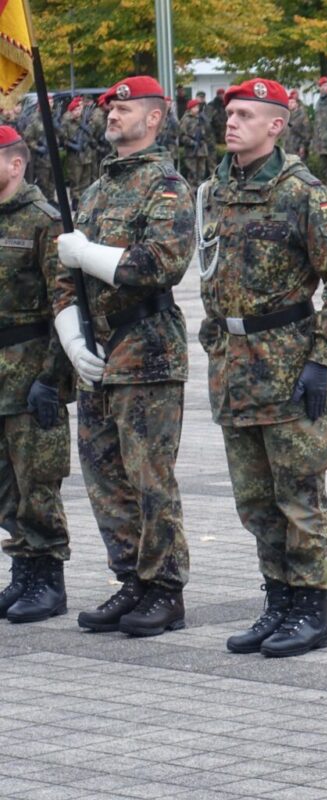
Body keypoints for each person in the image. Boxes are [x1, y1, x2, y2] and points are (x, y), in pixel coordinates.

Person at [195, 77, 327, 658]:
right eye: (229, 113)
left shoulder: (300, 192)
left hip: (289, 367)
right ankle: (279, 601)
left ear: (276, 124)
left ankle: (312, 609)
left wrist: (322, 360)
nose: (232, 122)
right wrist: (213, 339)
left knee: (299, 496)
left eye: (245, 114)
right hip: (234, 368)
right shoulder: (213, 191)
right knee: (255, 499)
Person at [52, 76, 194, 638]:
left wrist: (86, 252)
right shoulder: (94, 189)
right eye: (110, 106)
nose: (112, 113)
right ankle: (130, 578)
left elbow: (158, 264)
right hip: (99, 351)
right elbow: (65, 276)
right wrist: (71, 336)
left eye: (125, 106)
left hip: (147, 351)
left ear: (154, 118)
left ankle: (165, 588)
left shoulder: (166, 185)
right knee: (103, 476)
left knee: (148, 477)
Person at [0, 125, 73, 625]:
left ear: (15, 164)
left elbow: (64, 307)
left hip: (30, 374)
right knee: (6, 485)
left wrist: (53, 378)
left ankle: (47, 580)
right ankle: (22, 574)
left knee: (36, 483)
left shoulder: (44, 221)